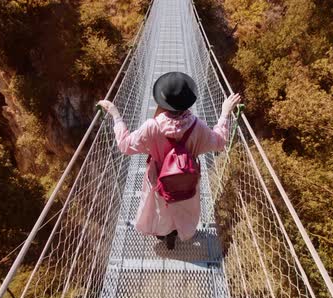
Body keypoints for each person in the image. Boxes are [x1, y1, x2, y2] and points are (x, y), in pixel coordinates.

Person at [98, 72, 241, 250]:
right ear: (187, 102)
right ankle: (178, 232)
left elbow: (125, 146)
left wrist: (116, 115)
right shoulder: (197, 126)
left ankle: (164, 234)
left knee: (161, 207)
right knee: (183, 205)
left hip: (158, 179)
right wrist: (225, 113)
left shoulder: (151, 126)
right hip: (187, 177)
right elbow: (219, 143)